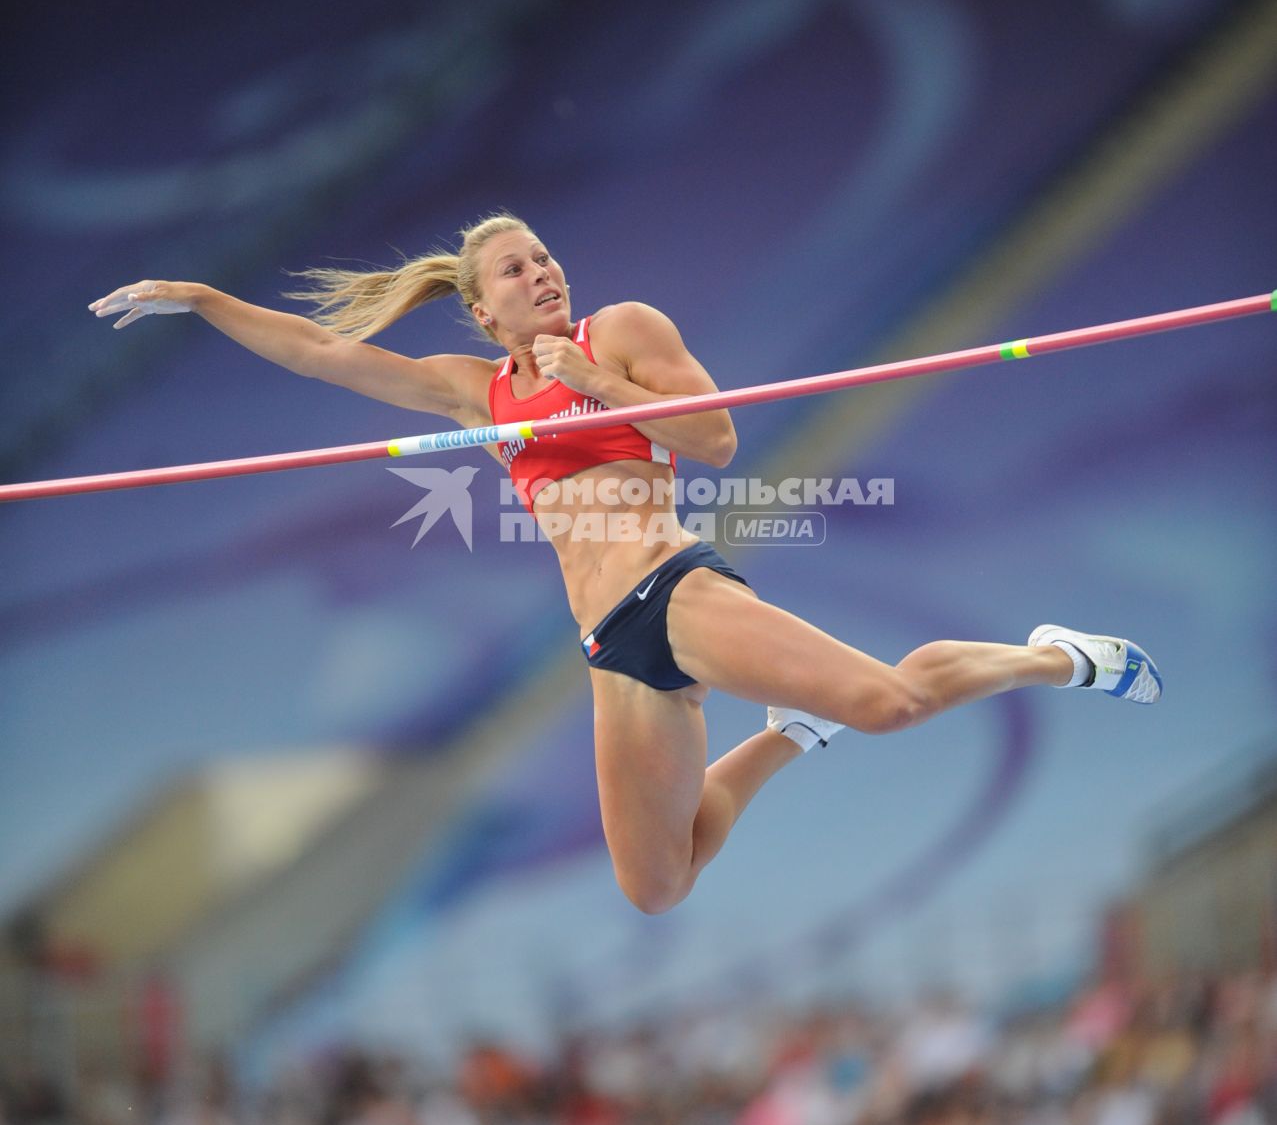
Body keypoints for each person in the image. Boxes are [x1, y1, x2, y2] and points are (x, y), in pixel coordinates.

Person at [89, 212, 1162, 915]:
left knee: (886, 702)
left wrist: (598, 386)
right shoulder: (476, 387)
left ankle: (1050, 658)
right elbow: (324, 353)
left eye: (545, 257)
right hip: (609, 646)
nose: (541, 273)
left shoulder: (621, 330)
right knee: (659, 881)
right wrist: (199, 301)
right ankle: (790, 735)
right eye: (516, 270)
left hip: (671, 584)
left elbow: (718, 442)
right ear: (481, 307)